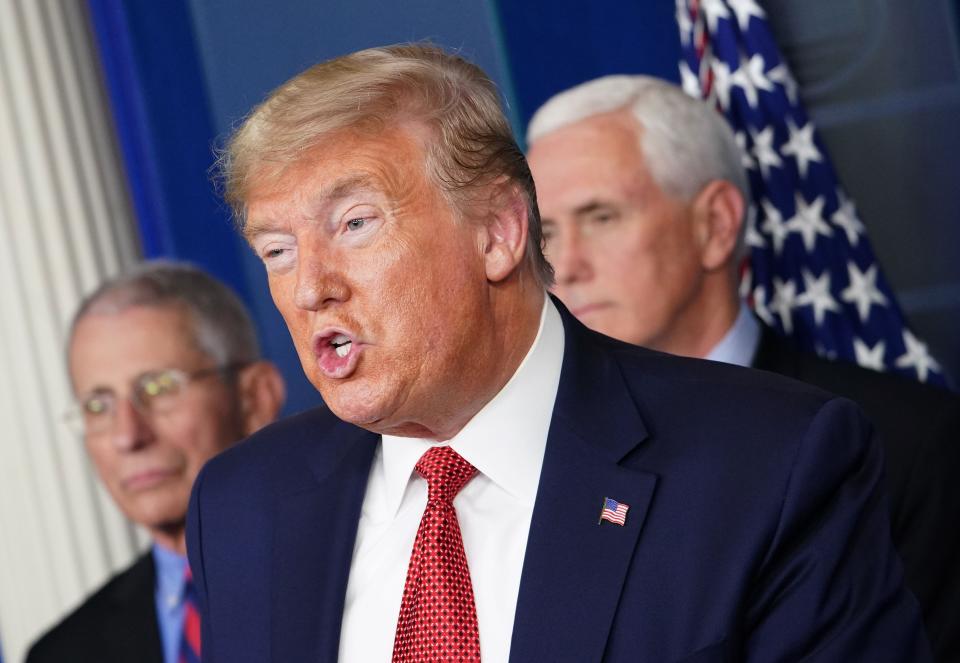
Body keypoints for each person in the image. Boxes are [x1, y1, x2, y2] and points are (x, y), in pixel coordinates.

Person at [187, 44, 930, 662]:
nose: (311, 286)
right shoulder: (242, 506)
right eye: (277, 250)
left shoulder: (769, 464)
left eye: (354, 224)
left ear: (500, 232)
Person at [526, 74, 960, 661]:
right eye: (546, 232)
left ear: (716, 224)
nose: (565, 264)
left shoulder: (907, 442)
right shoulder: (525, 453)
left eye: (601, 216)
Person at [27, 262, 286, 663]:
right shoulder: (63, 653)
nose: (128, 436)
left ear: (255, 398)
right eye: (98, 406)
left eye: (159, 387)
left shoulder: (358, 565)